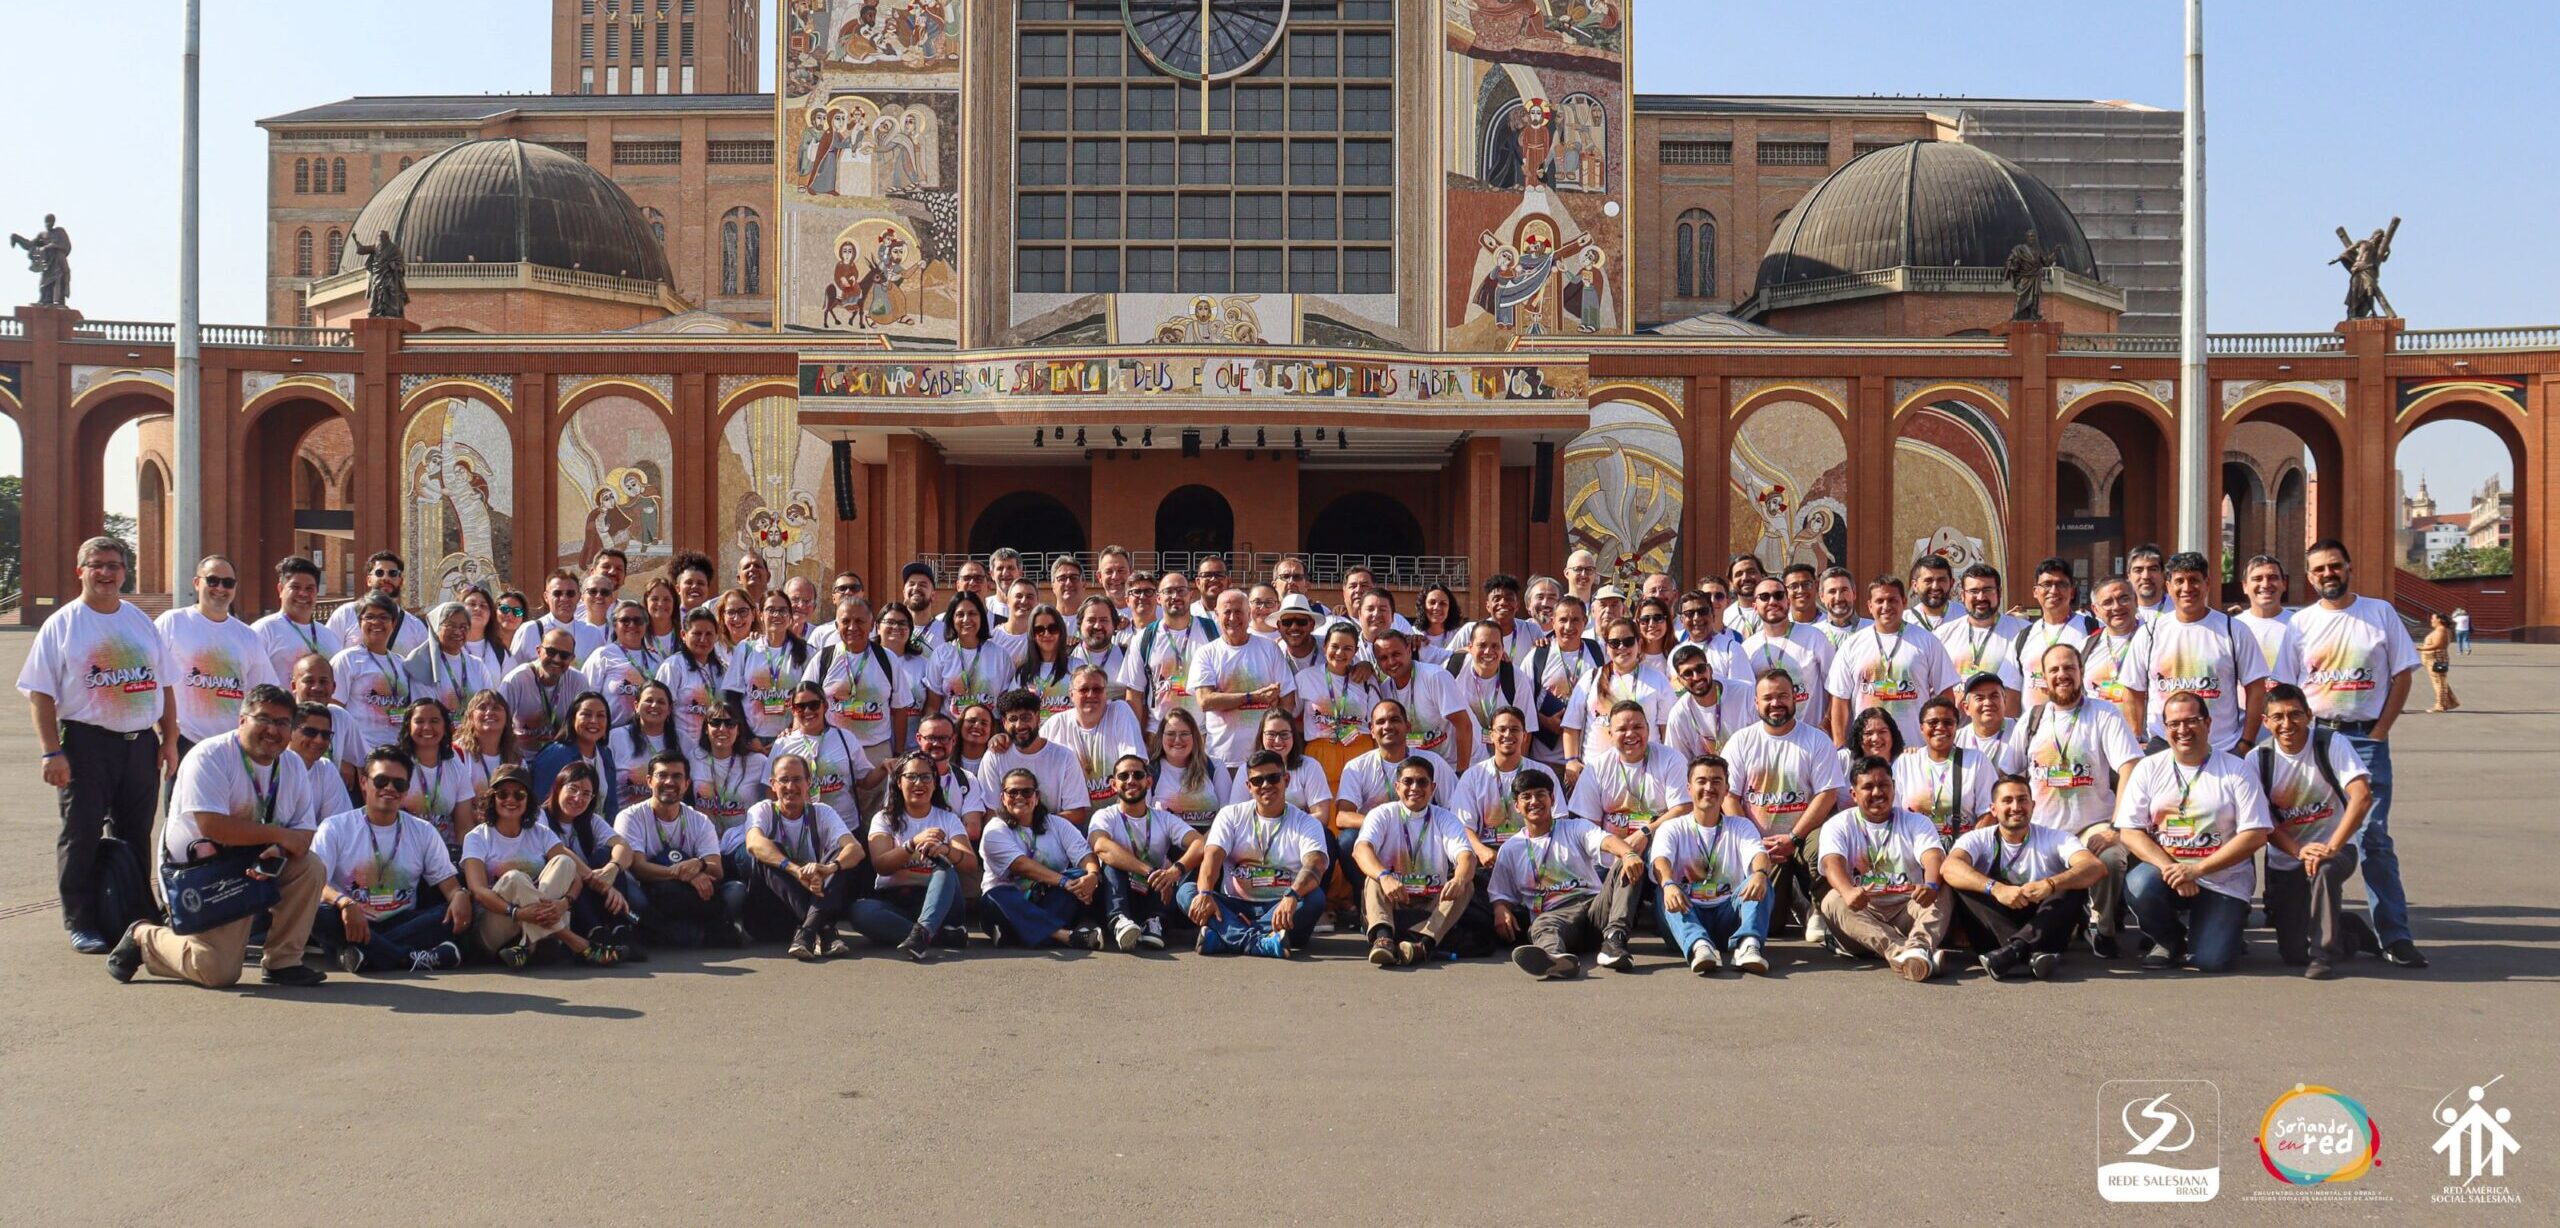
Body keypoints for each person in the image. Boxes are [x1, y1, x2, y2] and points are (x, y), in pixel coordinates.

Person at [103, 686, 327, 986]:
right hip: (204, 871)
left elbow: (304, 832)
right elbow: (212, 826)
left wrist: (281, 849)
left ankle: (283, 962)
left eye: (283, 722)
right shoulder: (209, 756)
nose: (273, 730)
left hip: (257, 861)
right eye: (264, 719)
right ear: (242, 720)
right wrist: (278, 835)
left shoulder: (292, 764)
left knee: (310, 867)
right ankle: (144, 936)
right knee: (217, 971)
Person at [19, 535, 179, 953]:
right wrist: (51, 751)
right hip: (87, 743)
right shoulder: (65, 623)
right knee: (81, 833)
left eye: (114, 565)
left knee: (136, 832)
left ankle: (135, 913)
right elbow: (40, 693)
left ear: (125, 572)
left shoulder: (140, 621)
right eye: (97, 565)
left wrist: (170, 740)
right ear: (81, 571)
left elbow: (165, 683)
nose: (106, 573)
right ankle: (82, 920)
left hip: (140, 743)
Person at [2292, 538, 2426, 968]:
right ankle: (2312, 930)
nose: (2328, 574)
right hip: (2317, 740)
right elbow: (2289, 688)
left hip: (2366, 738)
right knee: (2308, 833)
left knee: (2373, 838)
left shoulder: (2379, 612)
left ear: (2349, 567)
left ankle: (2395, 934)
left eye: (2335, 566)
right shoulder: (2301, 624)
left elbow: (2403, 674)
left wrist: (2382, 729)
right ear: (2309, 577)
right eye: (2319, 570)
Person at [2114, 692, 2273, 972]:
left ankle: (2224, 928)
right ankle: (2170, 939)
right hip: (2169, 875)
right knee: (2139, 884)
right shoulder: (2148, 768)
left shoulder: (2237, 770)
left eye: (2192, 721)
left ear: (2208, 723)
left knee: (2210, 961)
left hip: (2223, 879)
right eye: (2174, 724)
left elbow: (2256, 834)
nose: (2183, 730)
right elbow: (2130, 831)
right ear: (2165, 729)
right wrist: (2171, 868)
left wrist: (2197, 870)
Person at [2005, 642, 2144, 958]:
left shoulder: (2104, 714)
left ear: (2081, 672)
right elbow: (2008, 775)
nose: (2062, 675)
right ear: (2042, 678)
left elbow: (2130, 766)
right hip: (2043, 830)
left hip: (2093, 824)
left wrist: (2116, 825)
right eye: (2054, 669)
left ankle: (2102, 927)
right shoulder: (2032, 720)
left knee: (2107, 859)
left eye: (2069, 667)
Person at [307, 747, 474, 974]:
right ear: (364, 782)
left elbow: (449, 886)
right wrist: (345, 903)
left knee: (449, 913)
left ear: (406, 791)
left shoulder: (423, 831)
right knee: (312, 913)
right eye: (381, 781)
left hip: (401, 920)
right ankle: (407, 958)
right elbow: (316, 883)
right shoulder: (335, 827)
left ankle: (363, 954)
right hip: (349, 918)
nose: (389, 788)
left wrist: (460, 896)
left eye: (399, 784)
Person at [2251, 683, 2377, 979]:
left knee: (2324, 868)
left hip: (2336, 848)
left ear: (2309, 715)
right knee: (2292, 954)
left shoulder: (2331, 743)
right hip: (2287, 858)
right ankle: (2348, 931)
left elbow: (2362, 797)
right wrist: (2298, 851)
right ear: (2265, 722)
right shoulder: (2257, 759)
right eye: (2278, 717)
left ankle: (2323, 954)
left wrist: (2332, 847)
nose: (2287, 724)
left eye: (2295, 714)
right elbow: (2261, 822)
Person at [1719, 669, 1847, 943]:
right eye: (1768, 698)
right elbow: (1728, 796)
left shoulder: (1816, 740)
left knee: (1822, 845)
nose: (1775, 703)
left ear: (1795, 699)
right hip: (1761, 841)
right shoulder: (1741, 741)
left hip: (1803, 834)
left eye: (1782, 696)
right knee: (1771, 926)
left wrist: (1793, 837)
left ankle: (1818, 906)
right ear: (1756, 703)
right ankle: (1794, 902)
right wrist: (1752, 841)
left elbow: (1827, 795)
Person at [1941, 774, 2106, 981]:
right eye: (2007, 800)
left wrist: (2051, 884)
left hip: (2043, 923)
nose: (2016, 807)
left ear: (2033, 805)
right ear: (1993, 809)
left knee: (2074, 881)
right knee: (1964, 882)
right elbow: (1949, 867)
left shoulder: (2056, 837)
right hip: (1996, 926)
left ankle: (2015, 951)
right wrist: (1996, 889)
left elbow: (2095, 867)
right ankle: (2032, 954)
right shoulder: (1977, 838)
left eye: (2022, 799)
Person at [460, 764, 623, 968]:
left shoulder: (541, 833)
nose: (510, 800)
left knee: (564, 862)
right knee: (515, 878)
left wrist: (564, 904)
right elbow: (478, 891)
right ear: (493, 798)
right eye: (503, 794)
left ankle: (527, 945)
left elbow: (574, 877)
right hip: (497, 924)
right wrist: (517, 913)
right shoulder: (476, 837)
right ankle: (576, 943)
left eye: (518, 795)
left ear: (528, 800)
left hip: (536, 918)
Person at [1487, 767, 1642, 979]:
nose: (1534, 801)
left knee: (1627, 863)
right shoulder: (1511, 849)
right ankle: (1554, 959)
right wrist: (1500, 909)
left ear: (1552, 799)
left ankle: (1614, 941)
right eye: (1526, 797)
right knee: (1541, 925)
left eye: (1541, 794)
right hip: (1554, 917)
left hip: (1594, 908)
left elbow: (1606, 841)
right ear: (1517, 805)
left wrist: (1628, 854)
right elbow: (1500, 894)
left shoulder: (1575, 828)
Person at [1181, 750, 1331, 957]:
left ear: (1286, 780)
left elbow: (1316, 864)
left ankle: (1226, 936)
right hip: (1235, 905)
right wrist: (1205, 893)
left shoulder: (1307, 822)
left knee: (1314, 898)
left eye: (1273, 778)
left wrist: (1292, 895)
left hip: (1283, 905)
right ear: (1248, 786)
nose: (1266, 785)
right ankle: (1260, 942)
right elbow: (1213, 855)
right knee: (1188, 891)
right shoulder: (1231, 815)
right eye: (1258, 780)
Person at [1817, 756, 1951, 981]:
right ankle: (1907, 952)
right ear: (1853, 794)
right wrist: (1849, 891)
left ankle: (1917, 948)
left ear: (1894, 787)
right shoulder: (1838, 825)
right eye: (1868, 787)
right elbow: (1832, 864)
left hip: (1907, 908)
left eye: (1884, 785)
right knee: (1832, 900)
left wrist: (1930, 885)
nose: (1877, 792)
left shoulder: (1916, 822)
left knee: (1943, 886)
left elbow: (1933, 856)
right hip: (1863, 914)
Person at [2122, 551, 2270, 753]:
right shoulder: (2149, 633)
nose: (2187, 588)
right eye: (2179, 581)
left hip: (2222, 747)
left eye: (2194, 580)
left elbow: (2256, 689)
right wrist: (2137, 737)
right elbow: (2133, 691)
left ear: (2207, 583)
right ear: (2168, 586)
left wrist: (2246, 742)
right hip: (2165, 748)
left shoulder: (2234, 630)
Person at [1350, 756, 1488, 966]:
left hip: (1431, 905)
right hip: (1393, 903)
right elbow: (1361, 850)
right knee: (1374, 879)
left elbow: (1466, 856)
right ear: (1397, 787)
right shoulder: (1381, 814)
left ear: (1432, 787)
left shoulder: (1446, 818)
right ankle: (1383, 939)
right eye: (1408, 782)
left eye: (1422, 782)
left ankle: (1423, 945)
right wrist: (1385, 876)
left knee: (1465, 885)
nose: (1415, 787)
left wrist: (1459, 879)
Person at [1648, 754, 1774, 974]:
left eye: (1717, 781)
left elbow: (1758, 855)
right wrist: (1668, 883)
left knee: (1761, 880)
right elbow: (1661, 861)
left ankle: (1748, 946)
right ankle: (1699, 946)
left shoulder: (1741, 826)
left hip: (1727, 914)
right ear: (1689, 788)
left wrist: (1761, 873)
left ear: (1727, 789)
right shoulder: (1672, 827)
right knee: (1665, 890)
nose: (1709, 787)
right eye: (1702, 781)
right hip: (1687, 912)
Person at [741, 753, 868, 960]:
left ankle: (808, 931)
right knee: (767, 852)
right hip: (771, 918)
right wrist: (795, 870)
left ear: (808, 783)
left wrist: (829, 868)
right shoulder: (762, 810)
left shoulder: (821, 812)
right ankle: (823, 930)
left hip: (814, 899)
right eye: (784, 780)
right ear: (773, 784)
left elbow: (856, 849)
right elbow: (753, 843)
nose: (790, 786)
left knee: (841, 857)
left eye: (797, 779)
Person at [152, 555, 277, 763]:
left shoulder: (248, 636)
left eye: (228, 583)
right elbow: (152, 676)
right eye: (212, 580)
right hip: (184, 741)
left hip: (233, 745)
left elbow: (263, 692)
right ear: (196, 582)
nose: (220, 588)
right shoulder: (172, 622)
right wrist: (166, 734)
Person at [857, 752, 980, 959]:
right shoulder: (884, 819)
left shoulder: (948, 819)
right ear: (898, 781)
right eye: (911, 777)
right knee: (860, 912)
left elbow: (970, 865)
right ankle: (935, 936)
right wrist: (911, 844)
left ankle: (923, 932)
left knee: (944, 870)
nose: (918, 783)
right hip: (896, 901)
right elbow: (881, 865)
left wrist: (947, 850)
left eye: (925, 777)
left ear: (934, 783)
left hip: (941, 903)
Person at [615, 751, 743, 948]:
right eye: (662, 775)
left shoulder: (699, 820)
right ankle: (698, 934)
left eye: (677, 776)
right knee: (630, 895)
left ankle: (669, 933)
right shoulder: (629, 817)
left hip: (689, 896)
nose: (669, 782)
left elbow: (716, 870)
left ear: (687, 784)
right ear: (649, 781)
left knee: (736, 891)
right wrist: (686, 875)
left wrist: (699, 864)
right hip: (650, 892)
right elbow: (638, 868)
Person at [1824, 574, 1958, 748]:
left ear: (1904, 601)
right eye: (1879, 601)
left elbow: (1945, 692)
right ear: (1870, 606)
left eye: (1892, 600)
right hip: (1868, 752)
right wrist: (1840, 745)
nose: (1886, 606)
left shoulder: (1927, 641)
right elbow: (1839, 700)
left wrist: (1940, 741)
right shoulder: (1852, 646)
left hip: (1915, 749)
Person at [1087, 754, 1204, 952]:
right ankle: (1119, 920)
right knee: (1112, 862)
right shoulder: (1105, 815)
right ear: (1114, 784)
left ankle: (1154, 923)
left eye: (1138, 775)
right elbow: (1100, 845)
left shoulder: (1164, 818)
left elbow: (1200, 843)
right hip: (1116, 892)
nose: (1131, 780)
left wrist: (1175, 871)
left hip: (1153, 892)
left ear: (1148, 782)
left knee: (1170, 874)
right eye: (1124, 776)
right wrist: (1147, 871)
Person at [980, 766, 1105, 950]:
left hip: (1047, 900)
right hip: (1007, 905)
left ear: (1036, 797)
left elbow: (1084, 854)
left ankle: (1014, 934)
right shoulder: (995, 829)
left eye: (1026, 792)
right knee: (996, 895)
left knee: (1079, 876)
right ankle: (1065, 936)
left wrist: (1092, 876)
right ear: (1003, 798)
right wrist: (1063, 882)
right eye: (1012, 792)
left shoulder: (1057, 824)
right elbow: (1021, 865)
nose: (1020, 797)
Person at [1560, 616, 1671, 779]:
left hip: (1647, 771)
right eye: (1614, 643)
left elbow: (1667, 729)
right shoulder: (1590, 678)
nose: (1621, 647)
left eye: (1628, 642)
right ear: (1606, 647)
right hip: (1596, 771)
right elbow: (1571, 724)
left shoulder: (1658, 680)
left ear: (1639, 644)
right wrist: (1572, 760)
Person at [1042, 665, 1149, 811]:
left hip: (1119, 817)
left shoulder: (1120, 711)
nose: (1091, 694)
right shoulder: (1055, 724)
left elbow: (1135, 767)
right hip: (1070, 822)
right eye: (1084, 689)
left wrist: (1116, 821)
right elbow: (1031, 758)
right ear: (1071, 694)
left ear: (1106, 693)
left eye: (1097, 689)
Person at [977, 687, 1090, 825]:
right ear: (1004, 723)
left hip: (1054, 836)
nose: (1019, 725)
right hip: (1009, 837)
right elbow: (992, 814)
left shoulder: (1064, 757)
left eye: (1026, 717)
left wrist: (1037, 825)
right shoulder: (994, 757)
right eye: (1013, 719)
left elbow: (1077, 813)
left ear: (1037, 717)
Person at [1896, 697, 1998, 846]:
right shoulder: (1905, 762)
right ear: (1921, 728)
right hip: (1915, 855)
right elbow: (1894, 816)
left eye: (1948, 723)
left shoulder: (1977, 761)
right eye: (1932, 722)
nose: (1940, 727)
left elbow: (1989, 814)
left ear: (1956, 726)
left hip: (1963, 857)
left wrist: (1967, 851)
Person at [771, 680, 882, 815]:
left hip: (845, 825)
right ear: (793, 710)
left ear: (825, 706)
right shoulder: (783, 744)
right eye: (800, 706)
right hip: (803, 827)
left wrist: (883, 767)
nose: (807, 711)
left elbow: (864, 781)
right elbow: (770, 790)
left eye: (814, 705)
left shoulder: (846, 738)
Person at [1730, 577, 1831, 722]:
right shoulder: (1748, 648)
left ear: (1788, 602)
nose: (1772, 601)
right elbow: (1744, 700)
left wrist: (1827, 724)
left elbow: (1835, 688)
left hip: (1811, 736)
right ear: (1755, 607)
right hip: (1768, 737)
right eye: (1764, 597)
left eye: (1778, 595)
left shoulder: (1814, 637)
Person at [331, 594, 418, 757]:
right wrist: (345, 759)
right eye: (369, 617)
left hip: (399, 755)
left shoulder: (402, 664)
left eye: (383, 617)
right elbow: (334, 712)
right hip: (360, 757)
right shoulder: (347, 660)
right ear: (360, 623)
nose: (376, 622)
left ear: (393, 623)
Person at [1295, 622, 1380, 788]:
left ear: (1355, 651)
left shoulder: (1365, 679)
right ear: (1325, 647)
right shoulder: (1305, 678)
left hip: (1359, 751)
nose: (1340, 653)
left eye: (1348, 648)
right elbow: (1291, 717)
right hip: (1320, 753)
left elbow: (1376, 724)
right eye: (1334, 646)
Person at [1934, 564, 2026, 716]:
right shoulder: (1943, 634)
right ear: (1963, 595)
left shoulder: (2022, 632)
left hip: (2005, 732)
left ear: (1999, 593)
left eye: (1988, 590)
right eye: (1974, 591)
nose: (1981, 597)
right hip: (1957, 733)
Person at [1449, 619, 1538, 770]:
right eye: (1482, 645)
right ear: (1470, 647)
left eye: (1495, 646)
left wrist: (1517, 771)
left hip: (1500, 765)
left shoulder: (1515, 678)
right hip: (1459, 762)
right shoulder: (1453, 670)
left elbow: (1526, 730)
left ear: (1503, 649)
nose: (1488, 651)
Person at [2015, 558, 2097, 708]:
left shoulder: (2091, 630)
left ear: (2072, 592)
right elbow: (2012, 688)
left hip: (2079, 724)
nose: (2053, 590)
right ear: (2035, 591)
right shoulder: (2024, 637)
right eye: (2046, 584)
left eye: (2061, 584)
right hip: (2036, 727)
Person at [253, 555, 344, 681]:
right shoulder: (264, 631)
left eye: (309, 588)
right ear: (280, 589)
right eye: (295, 587)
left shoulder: (330, 637)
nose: (303, 594)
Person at [500, 627, 585, 759]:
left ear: (572, 658)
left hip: (561, 758)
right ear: (539, 651)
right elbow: (501, 725)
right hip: (523, 759)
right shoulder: (516, 680)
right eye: (551, 652)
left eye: (564, 655)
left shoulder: (578, 681)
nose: (556, 659)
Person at [326, 551, 429, 654]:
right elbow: (326, 654)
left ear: (400, 581)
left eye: (392, 573)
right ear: (369, 580)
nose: (386, 578)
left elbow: (424, 665)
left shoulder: (416, 627)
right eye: (379, 573)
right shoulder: (345, 614)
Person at [586, 599, 669, 726]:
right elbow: (587, 698)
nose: (631, 625)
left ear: (646, 624)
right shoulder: (602, 655)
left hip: (645, 735)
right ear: (614, 625)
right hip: (609, 736)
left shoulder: (656, 660)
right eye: (625, 620)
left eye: (638, 620)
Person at [405, 601, 493, 718]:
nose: (457, 632)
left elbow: (488, 702)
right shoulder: (422, 664)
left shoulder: (477, 665)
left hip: (472, 733)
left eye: (463, 627)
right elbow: (424, 711)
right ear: (437, 627)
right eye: (450, 625)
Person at [1148, 706, 1231, 831]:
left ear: (1194, 737)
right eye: (1170, 734)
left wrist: (1202, 845)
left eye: (1184, 734)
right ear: (1161, 737)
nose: (1177, 740)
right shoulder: (1150, 772)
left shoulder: (1215, 767)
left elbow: (1228, 817)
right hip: (1165, 848)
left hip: (1209, 845)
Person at [529, 690, 618, 805]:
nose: (594, 721)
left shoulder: (605, 754)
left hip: (597, 823)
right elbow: (539, 804)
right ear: (572, 719)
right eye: (586, 714)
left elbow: (611, 805)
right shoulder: (556, 754)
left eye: (600, 715)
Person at [2081, 577, 2145, 731]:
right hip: (2098, 739)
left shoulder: (2154, 638)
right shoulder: (2086, 646)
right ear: (2096, 610)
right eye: (2108, 602)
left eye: (2124, 599)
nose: (2117, 607)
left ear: (2135, 600)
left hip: (2144, 743)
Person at [2235, 555, 2307, 687]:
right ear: (2245, 586)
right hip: (2243, 707)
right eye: (2257, 579)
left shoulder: (2300, 625)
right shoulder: (2234, 628)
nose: (2265, 584)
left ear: (2284, 584)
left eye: (2272, 578)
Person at [508, 569, 604, 666]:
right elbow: (512, 672)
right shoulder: (529, 630)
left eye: (570, 594)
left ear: (579, 597)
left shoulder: (592, 634)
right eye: (557, 593)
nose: (564, 598)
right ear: (546, 597)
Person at [1661, 642, 1739, 760]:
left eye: (1700, 669)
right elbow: (1677, 762)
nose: (1696, 677)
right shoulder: (1678, 715)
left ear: (1710, 669)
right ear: (1680, 681)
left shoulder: (1745, 694)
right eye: (1688, 674)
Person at [2419, 613, 2460, 713]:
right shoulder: (2442, 630)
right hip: (2436, 659)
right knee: (2441, 681)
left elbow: (2438, 645)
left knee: (2439, 682)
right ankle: (2450, 702)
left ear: (2440, 620)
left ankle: (2440, 705)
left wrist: (2421, 648)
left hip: (2437, 659)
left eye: (2433, 618)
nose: (2431, 620)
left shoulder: (2441, 630)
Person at [1905, 554, 1956, 632]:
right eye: (1928, 580)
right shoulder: (1904, 622)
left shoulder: (1966, 618)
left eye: (1941, 580)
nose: (1935, 587)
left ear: (1951, 583)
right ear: (1915, 586)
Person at [2125, 545, 2170, 624]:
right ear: (2129, 577)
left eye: (2153, 569)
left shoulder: (2179, 609)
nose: (2146, 576)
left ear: (2163, 575)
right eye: (2138, 570)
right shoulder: (2121, 612)